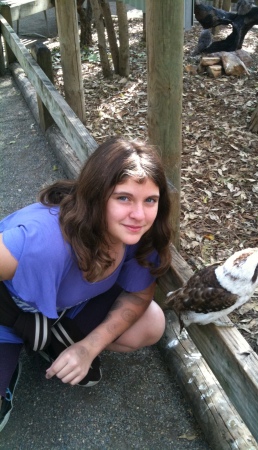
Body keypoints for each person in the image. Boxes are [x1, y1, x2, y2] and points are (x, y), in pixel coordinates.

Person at [0, 136, 172, 432]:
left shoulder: (142, 235)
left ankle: (53, 342)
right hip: (6, 312)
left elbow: (140, 295)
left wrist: (88, 348)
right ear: (96, 194)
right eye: (123, 198)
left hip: (64, 309)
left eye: (150, 200)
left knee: (152, 322)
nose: (139, 215)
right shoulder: (41, 240)